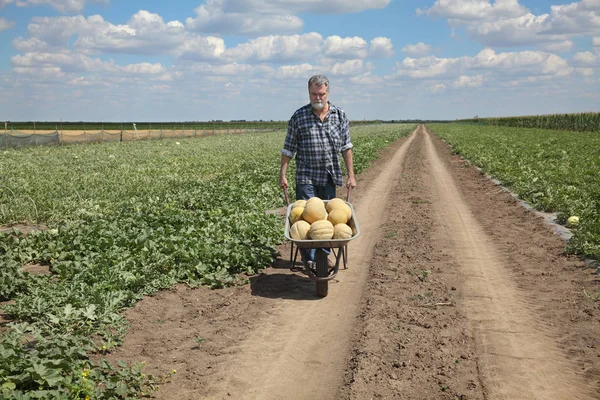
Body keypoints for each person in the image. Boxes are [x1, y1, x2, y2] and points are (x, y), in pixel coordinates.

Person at [279, 74, 356, 268]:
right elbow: (288, 148)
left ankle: (323, 256)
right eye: (314, 94)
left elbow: (346, 147)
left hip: (329, 176)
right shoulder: (299, 116)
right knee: (306, 217)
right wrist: (283, 174)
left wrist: (351, 175)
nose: (318, 98)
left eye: (321, 94)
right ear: (309, 93)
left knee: (327, 221)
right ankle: (310, 258)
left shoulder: (339, 116)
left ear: (327, 92)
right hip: (306, 176)